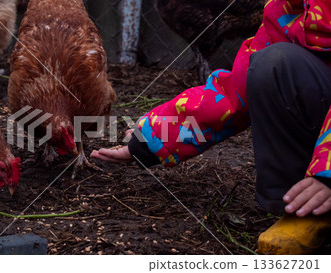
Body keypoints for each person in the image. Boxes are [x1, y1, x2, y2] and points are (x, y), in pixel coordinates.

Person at [91, 0, 331, 254]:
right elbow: (233, 92)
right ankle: (303, 208)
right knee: (273, 63)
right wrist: (150, 139)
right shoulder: (291, 8)